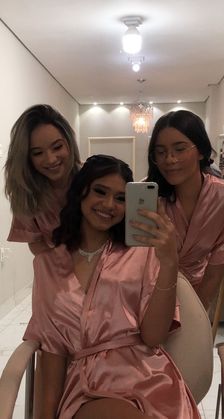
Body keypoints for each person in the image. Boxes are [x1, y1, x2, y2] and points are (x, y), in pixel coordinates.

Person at [23, 155, 200, 419]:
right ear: (80, 191)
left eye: (120, 198)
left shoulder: (141, 254)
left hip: (148, 379)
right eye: (100, 191)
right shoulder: (48, 265)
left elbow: (153, 337)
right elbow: (52, 352)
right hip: (90, 386)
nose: (109, 205)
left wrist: (169, 262)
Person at [146, 109, 224, 310]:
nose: (169, 159)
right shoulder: (149, 195)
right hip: (148, 293)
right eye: (160, 152)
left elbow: (214, 273)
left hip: (196, 293)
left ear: (201, 150)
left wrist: (196, 314)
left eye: (179, 149)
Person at [4, 104, 82, 254]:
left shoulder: (93, 180)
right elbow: (37, 246)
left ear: (69, 143)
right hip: (56, 273)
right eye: (38, 153)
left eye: (57, 147)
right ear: (27, 158)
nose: (51, 159)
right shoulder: (26, 194)